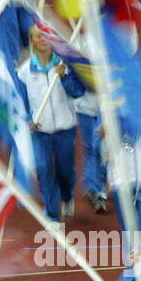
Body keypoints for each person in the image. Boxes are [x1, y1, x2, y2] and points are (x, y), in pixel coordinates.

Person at [18, 27, 87, 225]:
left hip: (65, 129)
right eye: (38, 36)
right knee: (44, 170)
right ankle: (52, 215)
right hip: (40, 132)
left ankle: (66, 196)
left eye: (46, 35)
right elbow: (20, 101)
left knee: (65, 171)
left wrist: (65, 77)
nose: (43, 39)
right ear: (31, 41)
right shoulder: (24, 72)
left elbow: (78, 92)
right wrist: (26, 119)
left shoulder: (65, 66)